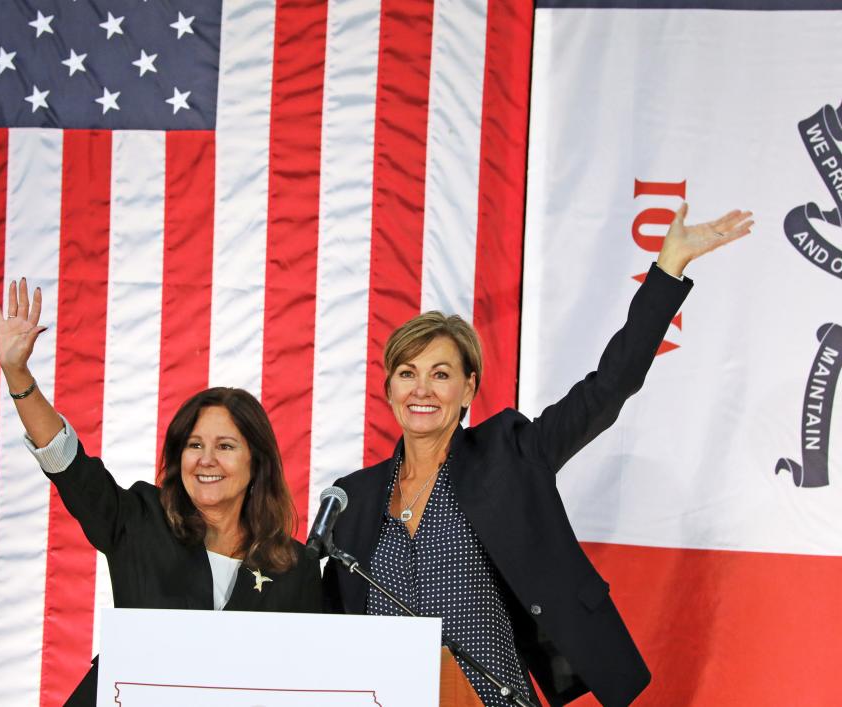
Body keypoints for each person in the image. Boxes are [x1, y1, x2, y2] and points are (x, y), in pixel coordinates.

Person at [321, 204, 753, 707]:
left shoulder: (509, 453)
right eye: (407, 373)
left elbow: (609, 387)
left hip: (491, 696)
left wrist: (668, 269)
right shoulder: (354, 497)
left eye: (440, 374)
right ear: (389, 388)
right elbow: (331, 620)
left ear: (468, 389)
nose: (422, 388)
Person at [0, 281, 324, 706]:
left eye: (225, 446)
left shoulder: (295, 567)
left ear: (256, 462)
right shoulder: (141, 519)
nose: (206, 459)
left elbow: (311, 682)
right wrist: (18, 375)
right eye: (194, 445)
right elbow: (69, 465)